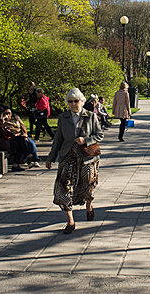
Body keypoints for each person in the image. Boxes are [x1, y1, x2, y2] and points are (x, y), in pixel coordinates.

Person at [46, 88, 104, 234]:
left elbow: (99, 135)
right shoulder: (63, 117)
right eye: (70, 101)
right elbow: (57, 140)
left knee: (88, 186)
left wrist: (85, 139)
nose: (73, 104)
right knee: (63, 187)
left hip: (86, 157)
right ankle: (70, 221)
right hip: (67, 156)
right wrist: (51, 158)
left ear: (82, 101)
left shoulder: (90, 116)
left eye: (76, 101)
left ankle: (89, 205)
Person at [0, 106, 27, 172]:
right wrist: (13, 135)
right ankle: (16, 164)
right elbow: (3, 131)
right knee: (20, 143)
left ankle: (18, 162)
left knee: (21, 140)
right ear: (1, 113)